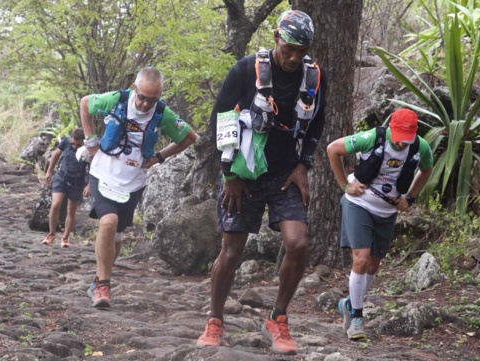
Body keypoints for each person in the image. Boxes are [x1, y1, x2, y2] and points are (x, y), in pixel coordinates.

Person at [196, 10, 327, 355]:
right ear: (275, 38)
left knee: (298, 244)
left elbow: (315, 124)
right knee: (232, 250)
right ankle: (215, 320)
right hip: (244, 174)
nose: (294, 57)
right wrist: (230, 176)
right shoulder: (245, 70)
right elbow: (220, 121)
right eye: (289, 48)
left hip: (286, 174)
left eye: (303, 50)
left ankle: (278, 318)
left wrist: (304, 164)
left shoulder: (313, 77)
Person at [79, 67, 198, 308]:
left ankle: (99, 279)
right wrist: (91, 142)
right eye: (142, 97)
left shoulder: (162, 113)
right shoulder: (117, 100)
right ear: (135, 88)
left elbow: (189, 137)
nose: (145, 104)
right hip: (103, 172)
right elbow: (84, 104)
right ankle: (103, 287)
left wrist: (159, 157)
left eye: (152, 99)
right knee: (108, 222)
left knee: (118, 236)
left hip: (133, 181)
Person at [327, 108, 433, 340]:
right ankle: (356, 318)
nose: (402, 143)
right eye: (398, 138)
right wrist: (345, 185)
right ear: (391, 128)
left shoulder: (420, 146)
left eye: (407, 139)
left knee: (373, 265)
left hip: (387, 211)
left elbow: (426, 169)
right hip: (360, 204)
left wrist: (411, 198)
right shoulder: (372, 138)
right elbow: (333, 150)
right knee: (361, 258)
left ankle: (349, 304)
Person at [41, 128, 92, 248]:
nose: (75, 147)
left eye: (78, 145)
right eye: (73, 143)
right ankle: (51, 234)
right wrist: (49, 172)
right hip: (62, 177)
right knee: (55, 204)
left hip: (77, 182)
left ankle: (65, 237)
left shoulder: (89, 150)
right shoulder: (65, 142)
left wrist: (89, 185)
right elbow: (56, 155)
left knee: (71, 210)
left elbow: (94, 167)